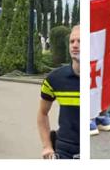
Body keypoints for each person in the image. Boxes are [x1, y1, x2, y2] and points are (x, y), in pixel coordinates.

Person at [37, 26, 80, 159]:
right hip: (65, 151)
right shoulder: (54, 79)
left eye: (80, 41)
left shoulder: (98, 76)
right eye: (72, 41)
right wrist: (47, 146)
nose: (75, 45)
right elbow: (42, 113)